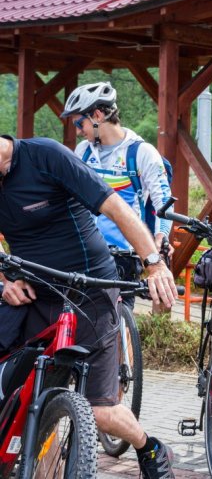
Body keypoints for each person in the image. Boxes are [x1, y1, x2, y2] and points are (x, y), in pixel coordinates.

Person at [0, 134, 179, 478]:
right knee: (17, 398)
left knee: (99, 411)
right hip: (35, 296)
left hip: (90, 295)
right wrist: (6, 279)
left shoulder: (45, 156)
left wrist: (154, 263)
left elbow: (115, 206)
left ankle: (149, 447)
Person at [64, 81, 174, 311]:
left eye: (79, 122)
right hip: (86, 251)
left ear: (96, 115)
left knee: (120, 322)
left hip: (124, 253)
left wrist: (161, 236)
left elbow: (163, 201)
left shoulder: (141, 153)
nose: (77, 130)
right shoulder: (83, 151)